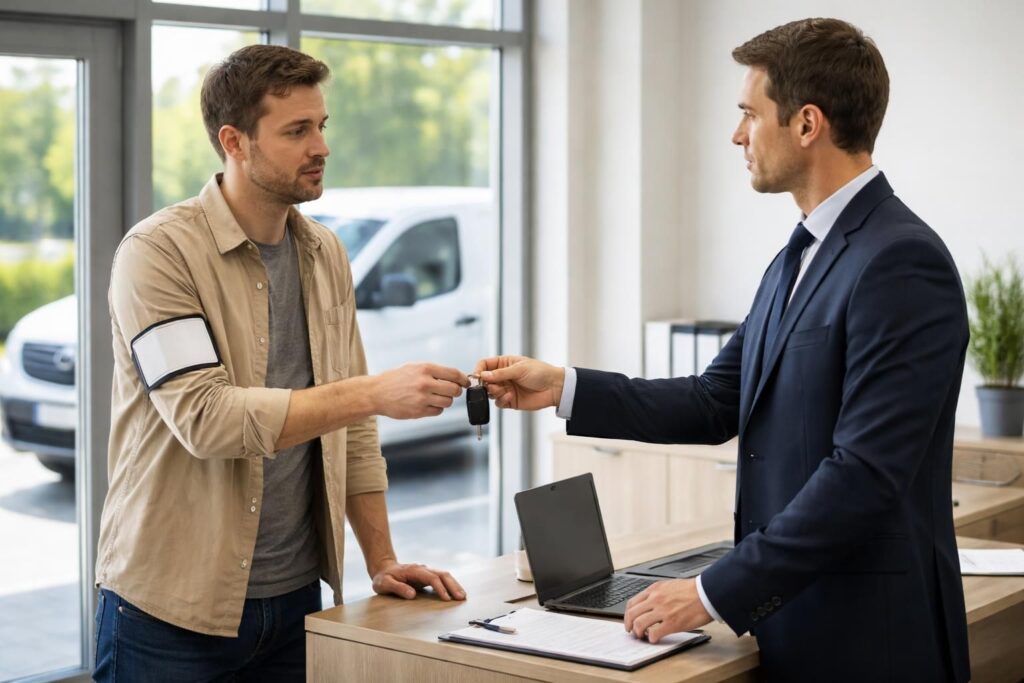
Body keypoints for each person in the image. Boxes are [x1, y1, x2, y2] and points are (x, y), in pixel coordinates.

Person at [476, 18, 970, 682]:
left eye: (749, 114)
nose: (737, 135)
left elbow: (864, 477)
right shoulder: (795, 258)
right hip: (795, 626)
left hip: (869, 642)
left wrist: (711, 591)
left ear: (807, 124)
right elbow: (715, 400)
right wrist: (562, 385)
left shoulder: (902, 262)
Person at [94, 45, 468, 681]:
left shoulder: (325, 252)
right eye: (297, 131)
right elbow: (206, 420)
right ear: (235, 142)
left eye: (322, 126)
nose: (320, 146)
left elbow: (350, 429)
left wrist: (380, 559)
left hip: (297, 602)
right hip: (171, 611)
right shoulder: (157, 254)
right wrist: (372, 393)